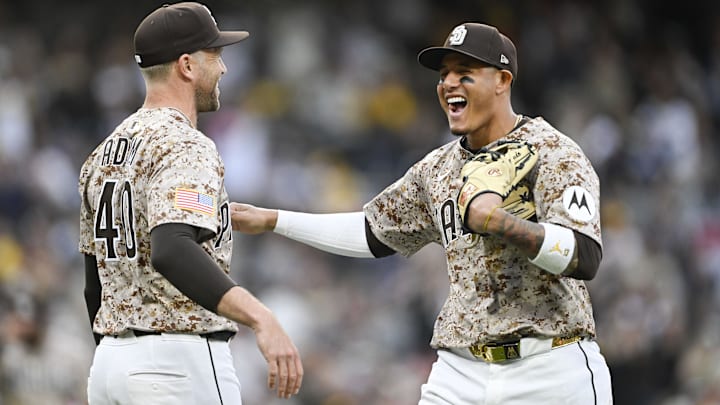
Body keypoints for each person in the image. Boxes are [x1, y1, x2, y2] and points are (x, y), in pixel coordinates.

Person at [230, 22, 612, 404]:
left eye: (465, 74)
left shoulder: (552, 152)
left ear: (502, 80)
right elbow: (373, 233)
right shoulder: (437, 169)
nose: (449, 84)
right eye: (444, 75)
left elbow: (585, 255)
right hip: (462, 372)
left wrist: (503, 224)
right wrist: (275, 220)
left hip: (550, 365)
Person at [77, 3, 303, 403]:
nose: (224, 69)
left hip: (110, 365)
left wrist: (120, 357)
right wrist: (260, 317)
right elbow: (173, 247)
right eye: (215, 55)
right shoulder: (185, 143)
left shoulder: (103, 152)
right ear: (186, 65)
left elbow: (94, 282)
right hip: (177, 363)